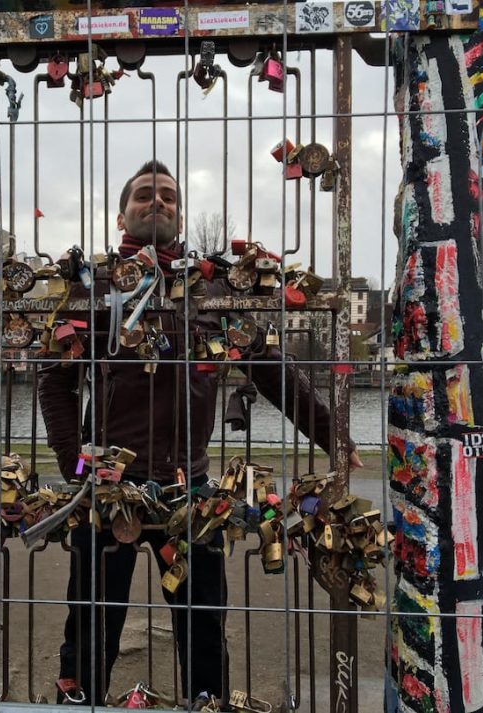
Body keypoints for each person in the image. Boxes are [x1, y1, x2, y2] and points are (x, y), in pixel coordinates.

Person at [38, 160, 361, 707]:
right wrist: (77, 467)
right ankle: (83, 702)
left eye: (167, 196)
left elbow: (270, 367)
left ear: (180, 212)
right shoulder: (93, 289)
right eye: (144, 195)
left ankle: (205, 705)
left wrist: (335, 436)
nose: (157, 202)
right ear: (121, 214)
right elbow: (55, 381)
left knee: (205, 629)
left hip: (191, 487)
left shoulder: (209, 290)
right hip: (108, 489)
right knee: (90, 632)